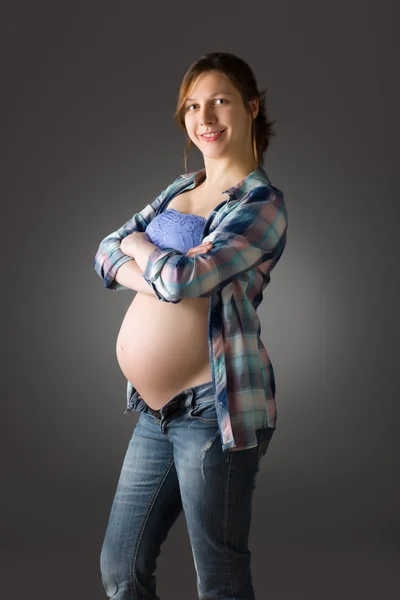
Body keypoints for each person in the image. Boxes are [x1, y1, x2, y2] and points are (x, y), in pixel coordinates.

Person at [94, 51, 288, 600]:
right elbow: (106, 252)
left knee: (219, 581)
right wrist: (147, 264)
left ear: (251, 108)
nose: (205, 116)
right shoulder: (180, 188)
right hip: (155, 412)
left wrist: (141, 247)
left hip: (214, 411)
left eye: (220, 100)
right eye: (193, 106)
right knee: (120, 569)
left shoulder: (262, 204)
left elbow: (185, 280)